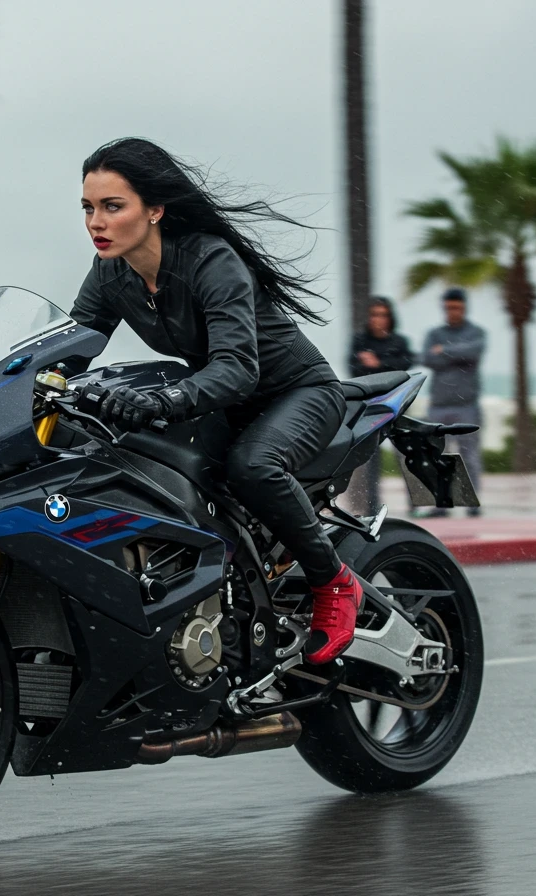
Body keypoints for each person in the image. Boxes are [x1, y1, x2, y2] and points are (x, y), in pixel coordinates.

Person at [69, 137, 362, 665]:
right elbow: (71, 346)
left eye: (113, 207)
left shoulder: (209, 260)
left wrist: (164, 399)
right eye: (89, 208)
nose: (97, 222)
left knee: (253, 466)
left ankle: (334, 582)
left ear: (155, 209)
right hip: (222, 399)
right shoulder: (111, 273)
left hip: (298, 391)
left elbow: (237, 368)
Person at [420, 287, 486, 517]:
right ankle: (442, 504)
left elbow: (474, 352)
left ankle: (473, 503)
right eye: (449, 307)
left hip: (467, 405)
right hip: (439, 405)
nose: (453, 311)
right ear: (444, 308)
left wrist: (444, 351)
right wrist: (458, 355)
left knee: (470, 455)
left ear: (464, 307)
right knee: (438, 456)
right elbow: (427, 357)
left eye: (456, 307)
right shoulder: (434, 333)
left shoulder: (476, 332)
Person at [348, 296, 415, 515]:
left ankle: (416, 504)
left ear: (390, 317)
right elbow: (354, 369)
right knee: (369, 461)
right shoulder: (360, 340)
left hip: (398, 404)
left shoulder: (399, 341)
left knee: (407, 455)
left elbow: (405, 367)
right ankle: (371, 506)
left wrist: (377, 363)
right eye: (375, 314)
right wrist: (384, 366)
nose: (379, 319)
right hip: (371, 406)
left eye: (383, 314)